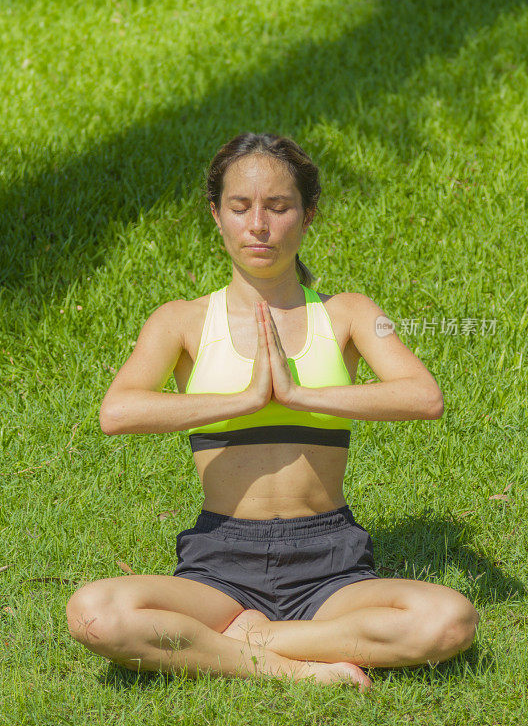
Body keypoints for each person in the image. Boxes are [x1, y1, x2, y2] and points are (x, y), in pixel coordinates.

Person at [66, 132, 479, 690]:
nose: (258, 224)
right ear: (217, 216)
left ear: (308, 216)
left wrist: (300, 395)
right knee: (94, 613)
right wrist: (243, 400)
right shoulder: (180, 321)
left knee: (450, 620)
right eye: (240, 207)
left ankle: (257, 641)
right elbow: (117, 411)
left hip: (331, 561)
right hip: (219, 563)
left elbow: (423, 395)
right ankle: (293, 672)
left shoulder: (352, 314)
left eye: (278, 207)